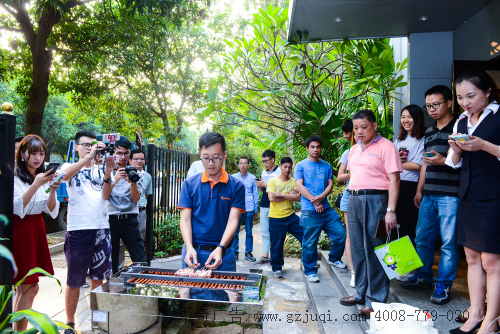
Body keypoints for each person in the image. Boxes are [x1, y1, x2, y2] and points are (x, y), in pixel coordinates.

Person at [446, 69, 500, 334]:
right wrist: (456, 151)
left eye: (471, 95)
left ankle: (491, 320)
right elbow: (453, 163)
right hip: (468, 195)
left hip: (495, 195)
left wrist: (484, 146)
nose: (465, 102)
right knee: (471, 257)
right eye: (459, 97)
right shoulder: (461, 122)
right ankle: (476, 312)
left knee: (492, 261)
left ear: (487, 91)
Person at [401, 85, 461, 305]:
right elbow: (426, 163)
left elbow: (463, 162)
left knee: (448, 243)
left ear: (449, 103)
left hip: (451, 195)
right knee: (422, 239)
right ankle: (424, 276)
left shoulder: (459, 127)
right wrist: (419, 190)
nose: (432, 109)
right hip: (429, 194)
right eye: (428, 106)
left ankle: (443, 284)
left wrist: (442, 161)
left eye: (436, 104)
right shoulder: (429, 132)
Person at [339, 109, 402, 319]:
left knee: (378, 249)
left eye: (363, 127)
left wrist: (391, 210)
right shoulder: (355, 149)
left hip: (378, 200)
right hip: (355, 199)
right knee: (357, 248)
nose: (358, 132)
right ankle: (360, 293)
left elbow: (394, 180)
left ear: (374, 126)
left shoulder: (387, 147)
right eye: (356, 128)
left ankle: (376, 300)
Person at [61, 130, 115, 333]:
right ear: (76, 147)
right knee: (74, 280)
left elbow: (106, 196)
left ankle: (96, 321)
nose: (90, 148)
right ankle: (69, 323)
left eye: (93, 145)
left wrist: (108, 175)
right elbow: (64, 176)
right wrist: (89, 157)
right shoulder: (69, 166)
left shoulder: (102, 169)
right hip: (78, 230)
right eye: (85, 145)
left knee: (98, 279)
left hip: (101, 228)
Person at [178, 131, 245, 273]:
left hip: (224, 253)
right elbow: (185, 219)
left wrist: (220, 247)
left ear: (224, 155)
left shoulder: (236, 186)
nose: (210, 164)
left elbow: (233, 221)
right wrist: (189, 247)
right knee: (187, 294)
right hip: (193, 253)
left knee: (228, 293)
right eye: (205, 158)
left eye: (216, 158)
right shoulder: (189, 184)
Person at [12, 135, 59, 331]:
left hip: (37, 228)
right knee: (30, 287)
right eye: (33, 153)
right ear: (22, 154)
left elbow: (51, 210)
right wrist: (37, 184)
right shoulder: (14, 177)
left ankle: (15, 330)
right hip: (21, 230)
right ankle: (18, 331)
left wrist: (53, 189)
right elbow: (17, 207)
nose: (38, 158)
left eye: (41, 153)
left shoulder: (42, 177)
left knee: (27, 288)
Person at [295, 135, 346, 283]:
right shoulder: (301, 165)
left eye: (318, 147)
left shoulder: (326, 165)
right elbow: (299, 185)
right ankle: (310, 270)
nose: (316, 149)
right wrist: (314, 201)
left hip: (326, 209)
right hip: (309, 210)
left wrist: (322, 197)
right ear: (307, 148)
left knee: (341, 234)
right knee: (310, 243)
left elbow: (330, 184)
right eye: (313, 147)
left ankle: (334, 258)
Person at [108, 137, 146, 273]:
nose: (122, 156)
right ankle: (110, 289)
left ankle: (140, 287)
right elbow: (104, 196)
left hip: (130, 220)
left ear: (129, 154)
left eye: (126, 153)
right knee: (111, 260)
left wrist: (132, 183)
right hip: (111, 220)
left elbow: (135, 199)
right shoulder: (107, 172)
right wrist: (114, 179)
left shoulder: (136, 174)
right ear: (114, 153)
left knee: (140, 260)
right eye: (119, 153)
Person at [393, 105, 426, 249]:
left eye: (409, 117)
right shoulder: (400, 139)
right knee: (396, 223)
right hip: (396, 184)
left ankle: (410, 264)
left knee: (410, 224)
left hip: (411, 185)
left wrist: (397, 163)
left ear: (417, 118)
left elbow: (418, 165)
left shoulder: (423, 139)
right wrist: (397, 162)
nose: (405, 120)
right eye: (403, 117)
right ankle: (397, 265)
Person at [267, 157, 303, 278]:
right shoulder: (273, 181)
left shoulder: (293, 181)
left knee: (305, 236)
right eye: (285, 167)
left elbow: (297, 197)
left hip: (291, 216)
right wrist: (289, 196)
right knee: (277, 244)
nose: (287, 169)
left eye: (289, 167)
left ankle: (308, 262)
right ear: (280, 167)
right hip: (276, 218)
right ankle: (277, 268)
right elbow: (272, 198)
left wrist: (282, 194)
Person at [337, 120, 356, 287]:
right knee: (351, 236)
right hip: (350, 195)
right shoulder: (348, 153)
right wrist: (353, 173)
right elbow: (340, 177)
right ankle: (354, 272)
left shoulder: (380, 148)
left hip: (373, 197)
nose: (345, 135)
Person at [254, 150, 281, 264]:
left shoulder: (279, 171)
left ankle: (275, 256)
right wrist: (260, 185)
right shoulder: (263, 172)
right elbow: (263, 190)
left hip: (276, 204)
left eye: (266, 161)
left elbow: (279, 188)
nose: (265, 163)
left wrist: (264, 184)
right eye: (263, 161)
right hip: (265, 204)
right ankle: (265, 255)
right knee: (264, 231)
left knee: (275, 232)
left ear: (273, 159)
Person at [231, 156, 259, 261]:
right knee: (235, 231)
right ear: (238, 165)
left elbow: (255, 194)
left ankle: (248, 252)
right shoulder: (233, 178)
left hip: (249, 208)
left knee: (249, 231)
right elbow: (230, 193)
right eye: (241, 163)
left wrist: (255, 209)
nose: (243, 165)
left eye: (245, 163)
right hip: (237, 208)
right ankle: (235, 252)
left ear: (248, 165)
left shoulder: (252, 178)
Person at [129, 149, 153, 240]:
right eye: (136, 159)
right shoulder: (124, 174)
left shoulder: (148, 176)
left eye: (142, 159)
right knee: (121, 243)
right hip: (127, 211)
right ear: (130, 160)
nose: (139, 161)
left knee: (140, 239)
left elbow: (146, 194)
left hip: (140, 212)